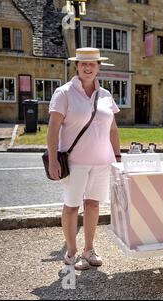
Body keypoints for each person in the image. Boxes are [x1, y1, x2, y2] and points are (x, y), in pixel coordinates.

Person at [47, 47, 121, 270]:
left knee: (93, 204)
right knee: (71, 206)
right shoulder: (64, 93)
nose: (88, 68)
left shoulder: (106, 95)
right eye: (83, 64)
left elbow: (113, 130)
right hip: (74, 162)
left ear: (99, 67)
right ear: (77, 66)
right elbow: (52, 130)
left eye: (92, 64)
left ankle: (89, 250)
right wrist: (52, 160)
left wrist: (117, 157)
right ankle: (71, 253)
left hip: (102, 162)